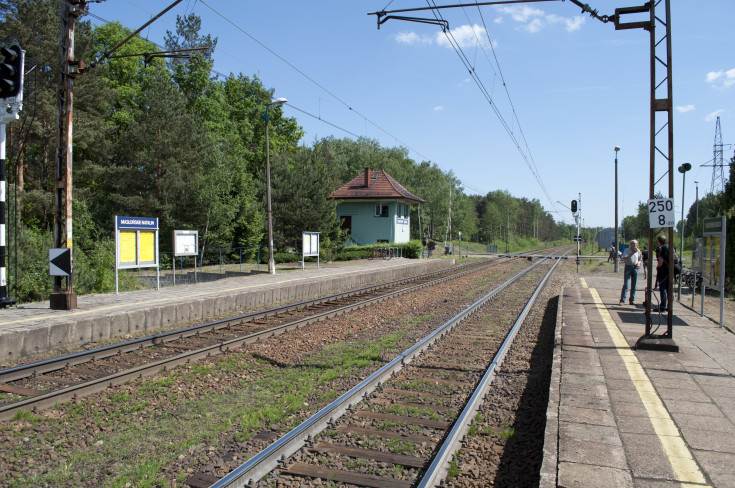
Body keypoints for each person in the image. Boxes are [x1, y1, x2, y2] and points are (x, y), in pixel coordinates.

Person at [619, 239, 642, 305]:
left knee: (634, 285)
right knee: (626, 284)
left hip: (635, 267)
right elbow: (625, 258)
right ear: (630, 244)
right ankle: (622, 300)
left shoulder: (638, 251)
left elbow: (640, 259)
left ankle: (632, 299)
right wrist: (632, 253)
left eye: (636, 244)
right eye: (633, 243)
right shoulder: (627, 250)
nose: (634, 245)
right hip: (628, 267)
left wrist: (639, 263)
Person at [655, 234, 669, 312]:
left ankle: (663, 306)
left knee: (662, 288)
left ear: (658, 241)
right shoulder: (670, 247)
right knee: (669, 289)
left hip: (662, 271)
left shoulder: (659, 249)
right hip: (670, 271)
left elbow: (660, 261)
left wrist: (658, 267)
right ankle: (669, 306)